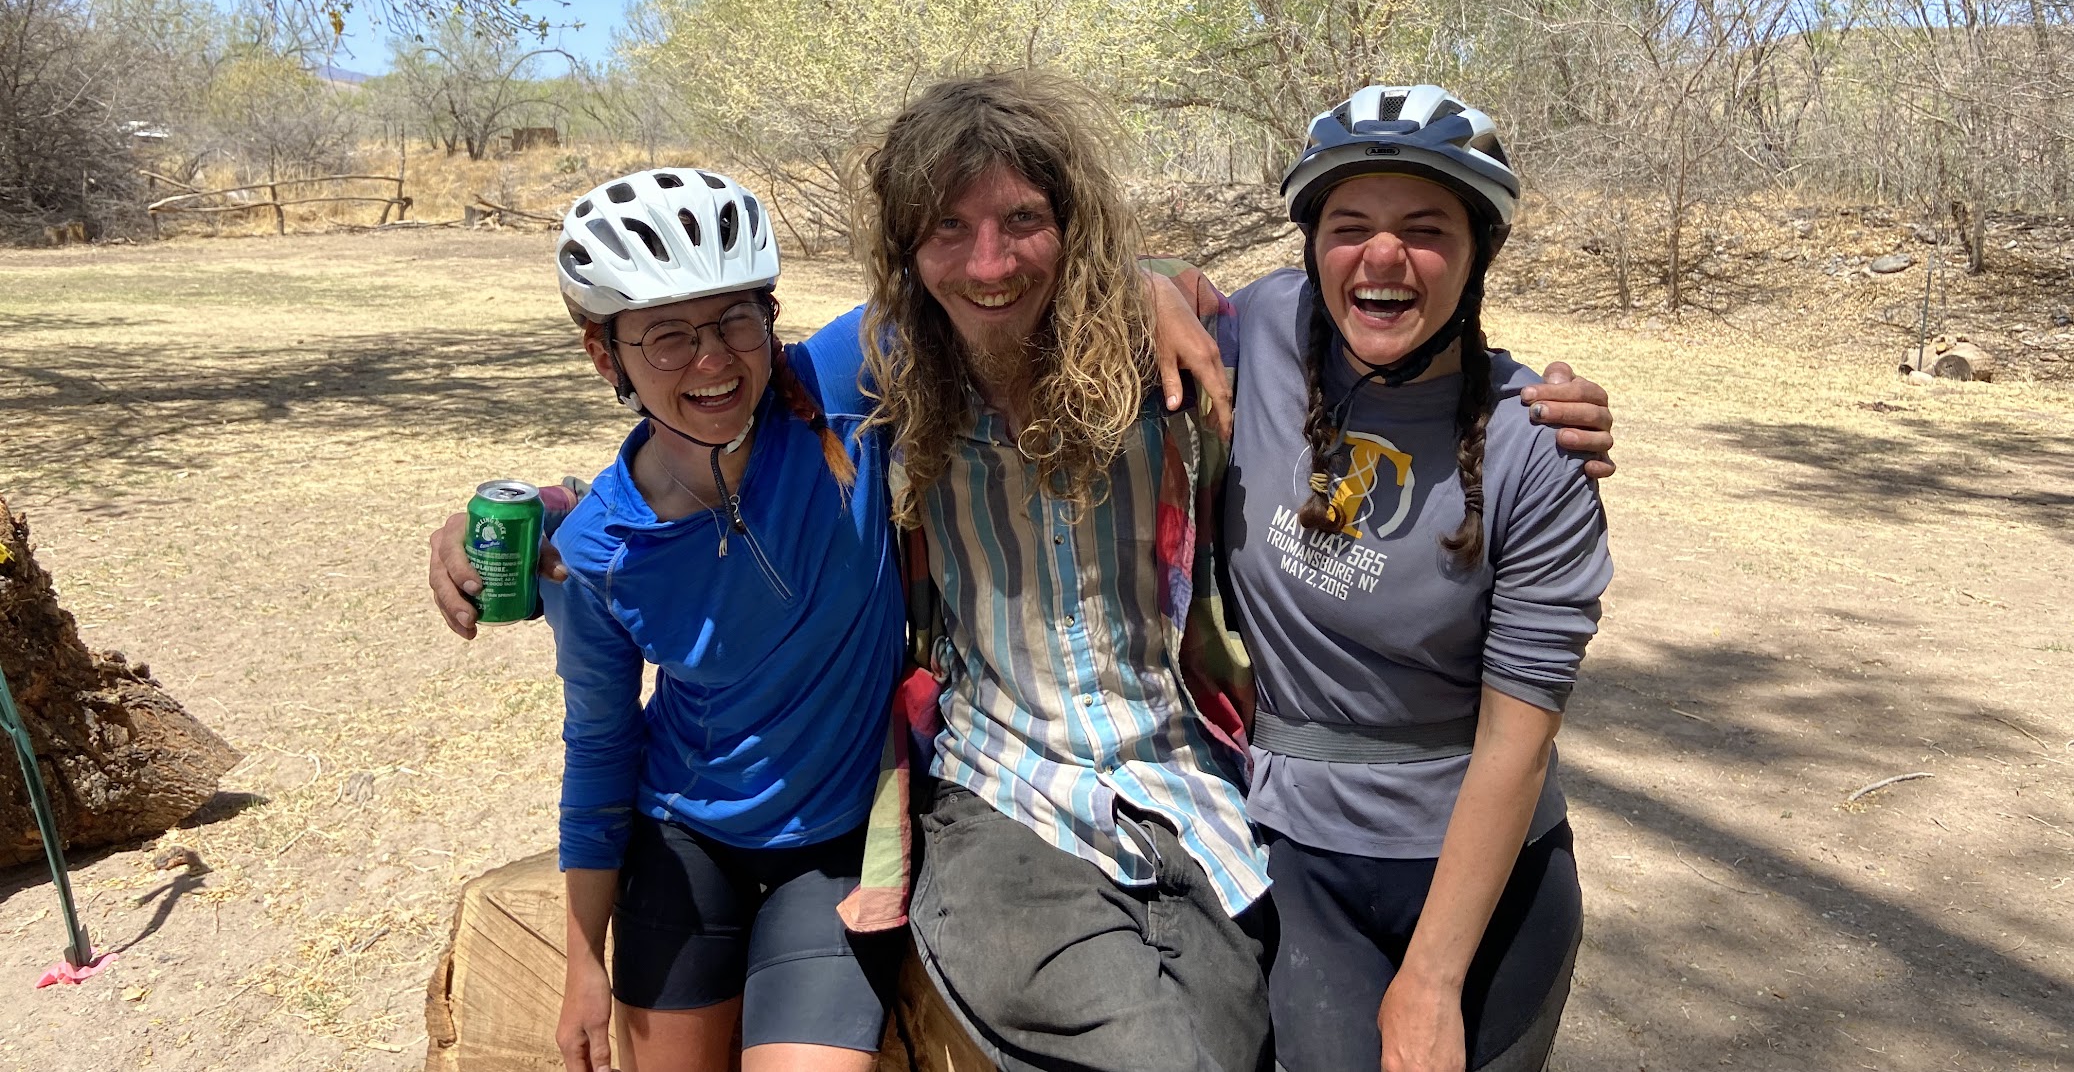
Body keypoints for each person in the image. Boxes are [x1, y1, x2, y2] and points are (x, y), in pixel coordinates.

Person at [428, 76, 1619, 1072]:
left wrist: (1161, 277)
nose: (989, 262)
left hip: (1188, 780)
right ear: (904, 252)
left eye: (1023, 220)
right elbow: (694, 410)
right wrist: (545, 510)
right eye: (947, 228)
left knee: (1239, 1027)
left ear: (1075, 225)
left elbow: (1256, 302)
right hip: (997, 783)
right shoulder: (876, 366)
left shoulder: (1176, 352)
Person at [1222, 84, 1611, 1072]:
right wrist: (1153, 283)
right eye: (1349, 225)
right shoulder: (1262, 330)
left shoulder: (1537, 447)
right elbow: (1123, 296)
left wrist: (1432, 981)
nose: (1382, 256)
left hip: (1487, 874)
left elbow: (1517, 742)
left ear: (1480, 253)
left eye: (1425, 228)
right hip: (1299, 855)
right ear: (1310, 247)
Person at [532, 166, 905, 1072]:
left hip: (839, 843)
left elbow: (991, 280)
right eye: (665, 336)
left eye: (736, 317)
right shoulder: (597, 553)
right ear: (604, 355)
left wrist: (1153, 289)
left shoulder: (844, 390)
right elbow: (601, 744)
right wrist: (585, 960)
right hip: (683, 841)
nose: (712, 360)